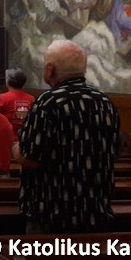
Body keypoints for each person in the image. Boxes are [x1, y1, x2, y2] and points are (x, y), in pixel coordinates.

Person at [13, 39, 119, 234]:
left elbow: (30, 158)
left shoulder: (48, 102)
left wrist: (15, 148)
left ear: (50, 69)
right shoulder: (105, 102)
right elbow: (113, 150)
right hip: (95, 212)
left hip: (53, 214)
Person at [0, 67, 35, 140]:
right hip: (26, 139)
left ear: (8, 81)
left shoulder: (1, 98)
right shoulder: (32, 99)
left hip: (7, 140)